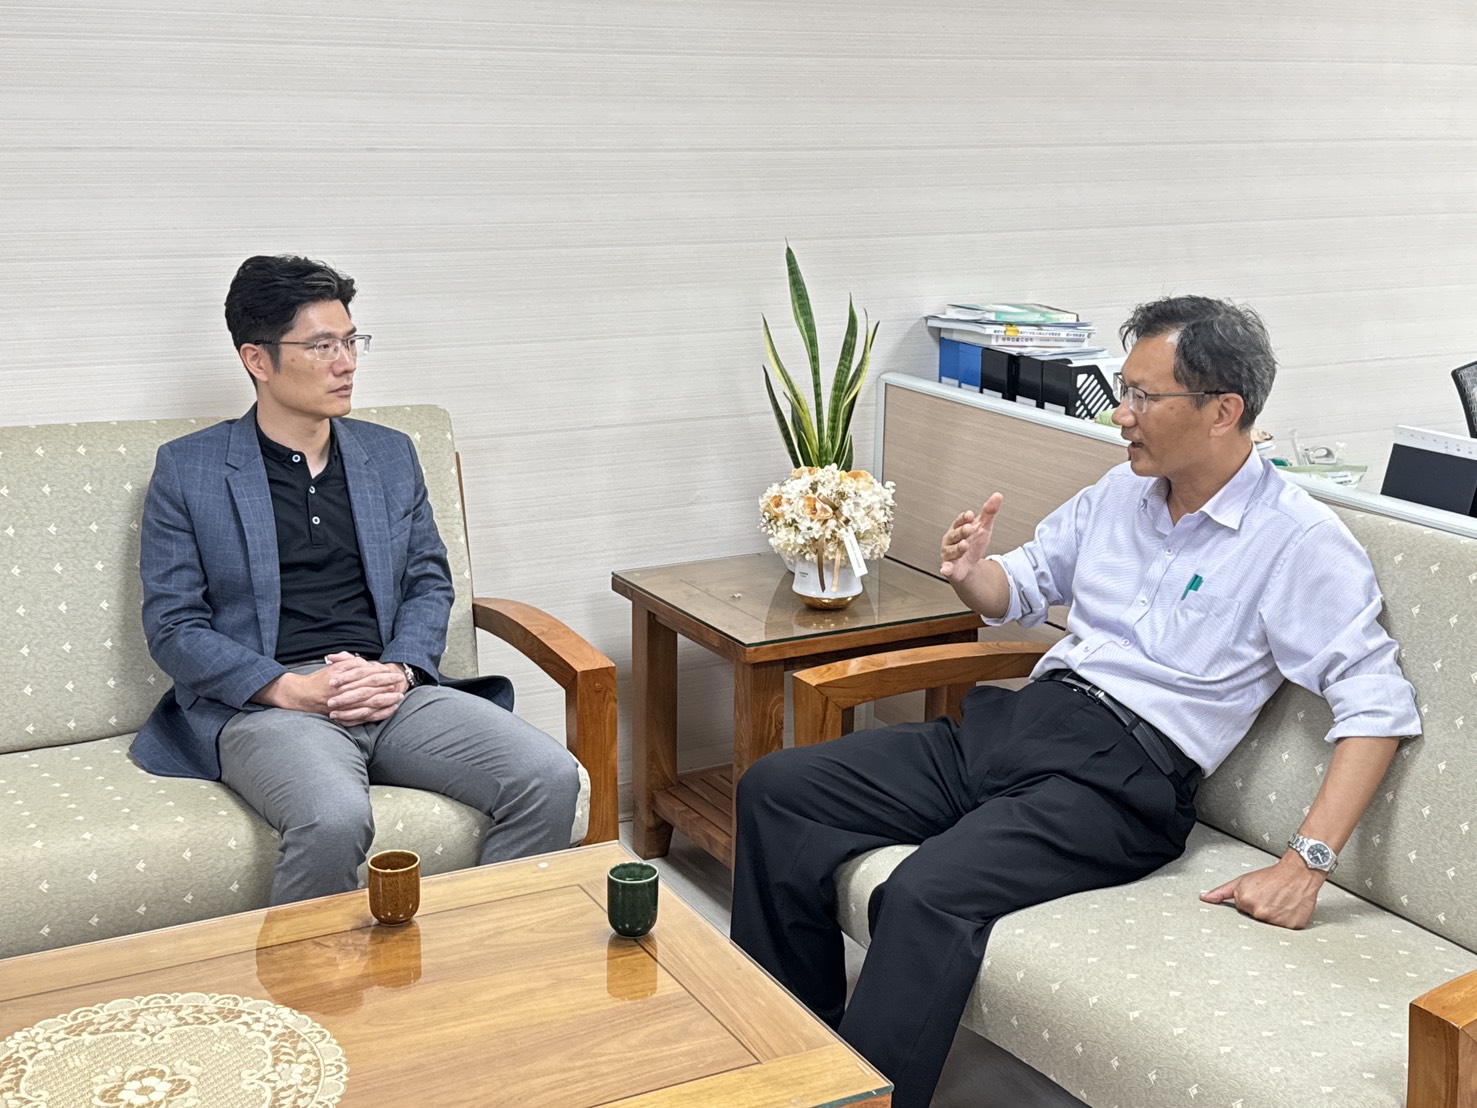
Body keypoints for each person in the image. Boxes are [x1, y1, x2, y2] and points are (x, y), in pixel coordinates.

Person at [729, 295, 1420, 1108]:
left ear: (1221, 410)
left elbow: (1375, 706)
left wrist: (1304, 865)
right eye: (1122, 392)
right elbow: (1017, 588)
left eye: (1141, 397)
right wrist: (971, 573)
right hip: (1020, 723)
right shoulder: (1119, 491)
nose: (1120, 414)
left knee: (922, 892)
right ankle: (791, 1065)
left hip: (1116, 785)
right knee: (779, 790)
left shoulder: (1298, 542)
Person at [132, 254, 579, 906]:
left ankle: (479, 954)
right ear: (258, 360)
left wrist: (398, 670)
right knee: (334, 817)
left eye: (350, 341)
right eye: (321, 346)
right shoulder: (189, 470)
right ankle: (308, 977)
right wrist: (289, 688)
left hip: (390, 690)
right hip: (268, 703)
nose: (346, 363)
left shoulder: (389, 454)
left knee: (548, 776)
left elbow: (429, 581)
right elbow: (173, 626)